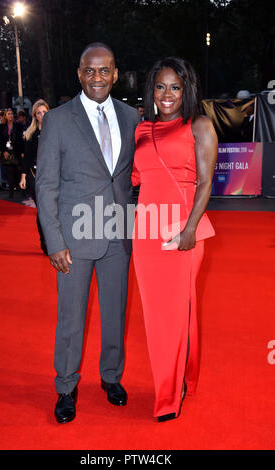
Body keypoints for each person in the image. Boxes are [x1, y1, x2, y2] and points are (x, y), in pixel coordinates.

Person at [36, 43, 140, 424]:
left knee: (115, 312)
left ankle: (111, 377)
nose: (97, 77)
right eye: (89, 70)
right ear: (80, 74)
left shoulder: (132, 117)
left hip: (118, 235)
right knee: (71, 317)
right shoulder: (60, 120)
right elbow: (45, 185)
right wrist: (54, 240)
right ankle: (66, 386)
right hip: (75, 237)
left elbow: (133, 176)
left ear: (115, 74)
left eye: (105, 70)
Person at [131, 57, 218, 422]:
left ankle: (168, 396)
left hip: (182, 230)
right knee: (166, 312)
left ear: (187, 90)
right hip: (146, 232)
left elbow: (205, 182)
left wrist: (187, 232)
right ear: (152, 90)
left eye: (175, 87)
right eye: (161, 87)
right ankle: (185, 374)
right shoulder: (141, 129)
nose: (167, 95)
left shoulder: (199, 126)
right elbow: (136, 180)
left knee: (172, 313)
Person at [19, 99, 49, 255]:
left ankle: (54, 240)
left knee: (53, 210)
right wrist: (23, 176)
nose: (42, 115)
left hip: (52, 176)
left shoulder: (55, 132)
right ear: (35, 116)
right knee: (43, 209)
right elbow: (27, 158)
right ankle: (45, 241)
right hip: (34, 175)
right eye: (39, 113)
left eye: (44, 112)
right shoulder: (30, 134)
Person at [0, 108, 24, 198]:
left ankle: (21, 188)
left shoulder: (18, 125)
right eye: (8, 114)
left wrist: (22, 152)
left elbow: (21, 140)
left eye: (12, 113)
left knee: (19, 169)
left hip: (17, 150)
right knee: (9, 170)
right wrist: (4, 150)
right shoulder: (1, 126)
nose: (11, 115)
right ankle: (11, 191)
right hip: (7, 151)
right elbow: (0, 140)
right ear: (5, 116)